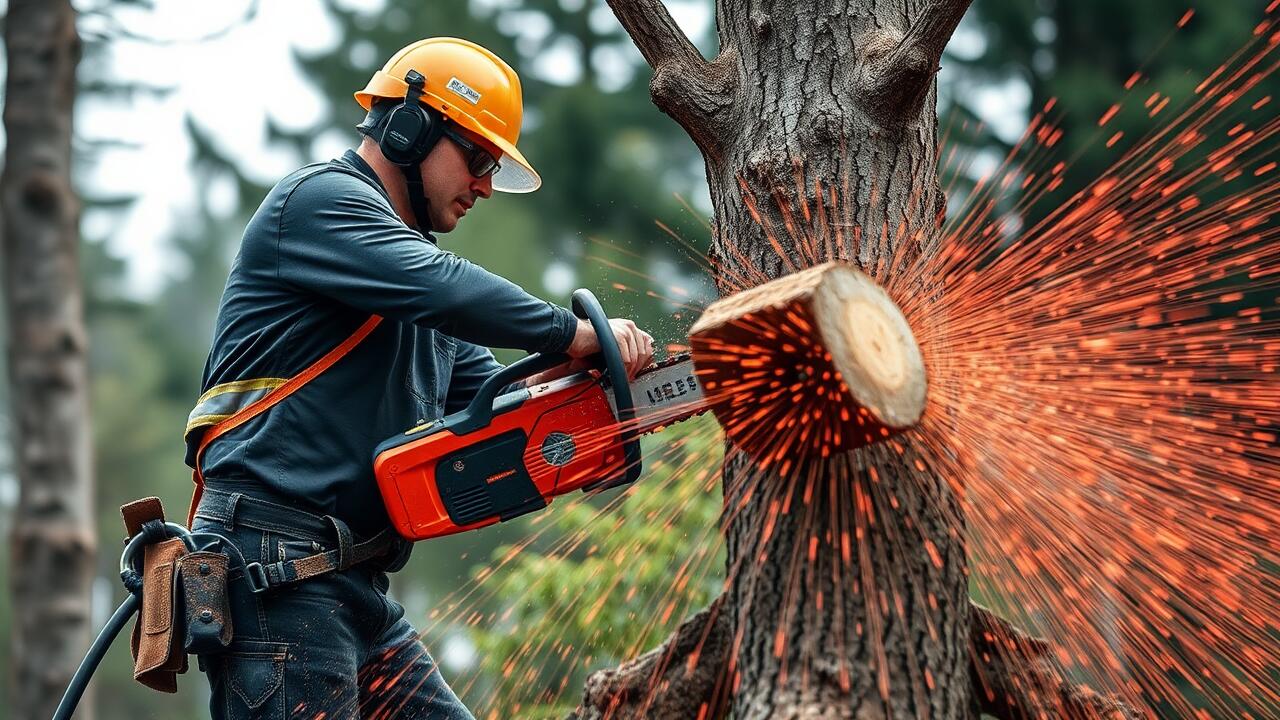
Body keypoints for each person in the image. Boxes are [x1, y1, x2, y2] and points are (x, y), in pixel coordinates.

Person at [184, 37, 654, 719]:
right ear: (411, 127)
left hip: (354, 584)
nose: (486, 186)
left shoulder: (416, 302)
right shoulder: (321, 204)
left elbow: (496, 399)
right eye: (479, 159)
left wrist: (602, 390)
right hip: (279, 571)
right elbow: (439, 285)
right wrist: (572, 330)